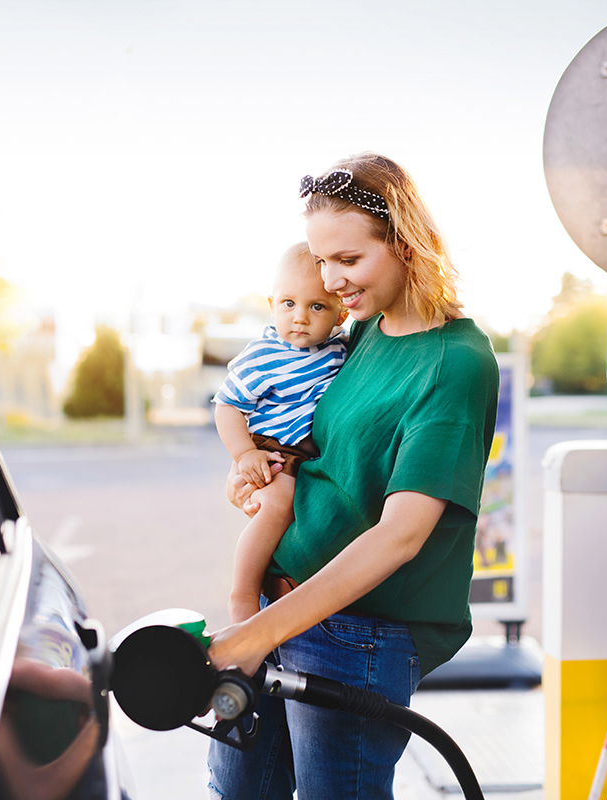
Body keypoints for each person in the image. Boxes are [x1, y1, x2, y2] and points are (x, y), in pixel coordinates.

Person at [206, 153, 499, 800]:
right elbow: (313, 432)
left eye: (348, 260)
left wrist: (257, 633)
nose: (330, 280)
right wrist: (256, 461)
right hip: (279, 610)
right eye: (320, 260)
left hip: (356, 636)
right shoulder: (361, 330)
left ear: (405, 243)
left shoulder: (454, 363)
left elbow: (401, 535)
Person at [213, 241, 348, 624]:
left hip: (304, 453)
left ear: (340, 316)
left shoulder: (339, 348)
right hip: (272, 450)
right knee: (278, 504)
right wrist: (244, 455)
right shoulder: (263, 355)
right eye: (288, 304)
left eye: (316, 306)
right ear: (272, 304)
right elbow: (227, 406)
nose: (300, 317)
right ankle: (242, 595)